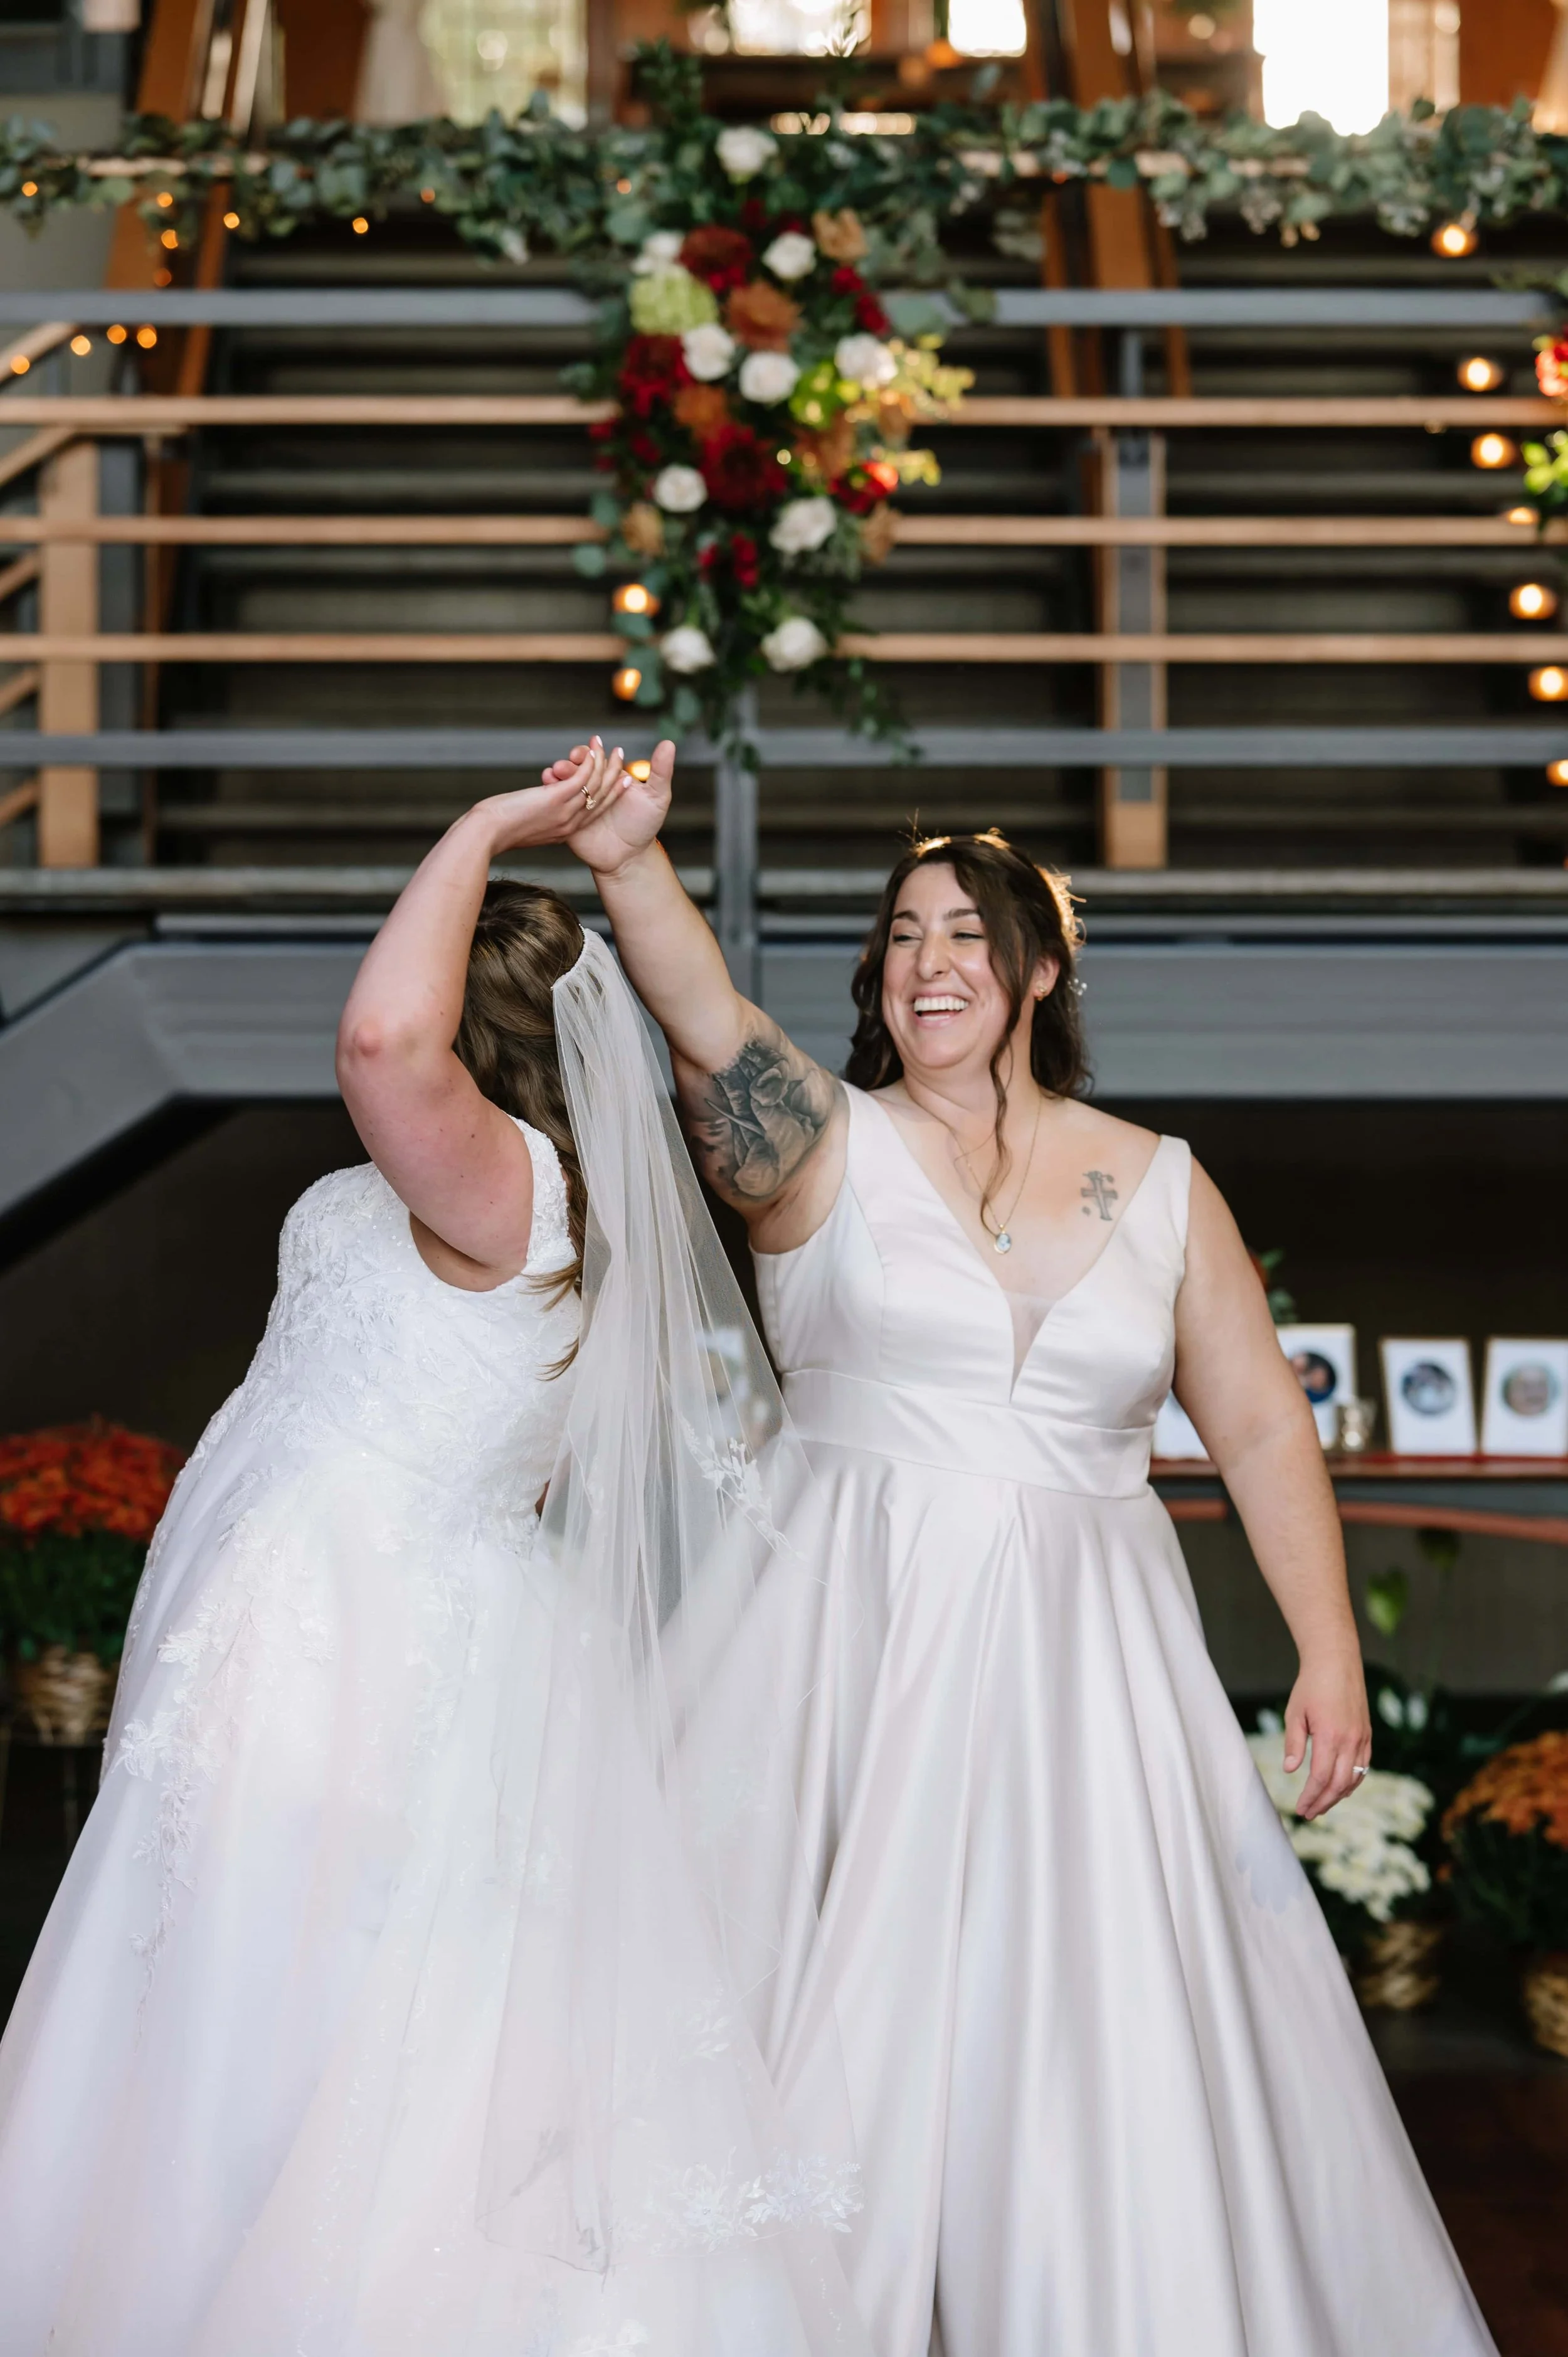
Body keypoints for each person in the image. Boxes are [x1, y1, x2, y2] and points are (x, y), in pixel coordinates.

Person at [539, 734, 1498, 2357]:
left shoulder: (1159, 1181)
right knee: (828, 2019)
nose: (929, 961)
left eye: (966, 932)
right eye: (901, 934)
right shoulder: (816, 1146)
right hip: (850, 1649)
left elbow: (1260, 1421)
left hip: (1090, 1673)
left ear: (1038, 966)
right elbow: (701, 1014)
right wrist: (632, 858)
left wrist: (1326, 1648)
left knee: (1082, 2026)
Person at [0, 770, 870, 2357]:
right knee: (247, 1994)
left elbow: (374, 1045)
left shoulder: (508, 1194)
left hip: (365, 1648)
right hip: (327, 1622)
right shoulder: (503, 1191)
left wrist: (480, 831)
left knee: (304, 2008)